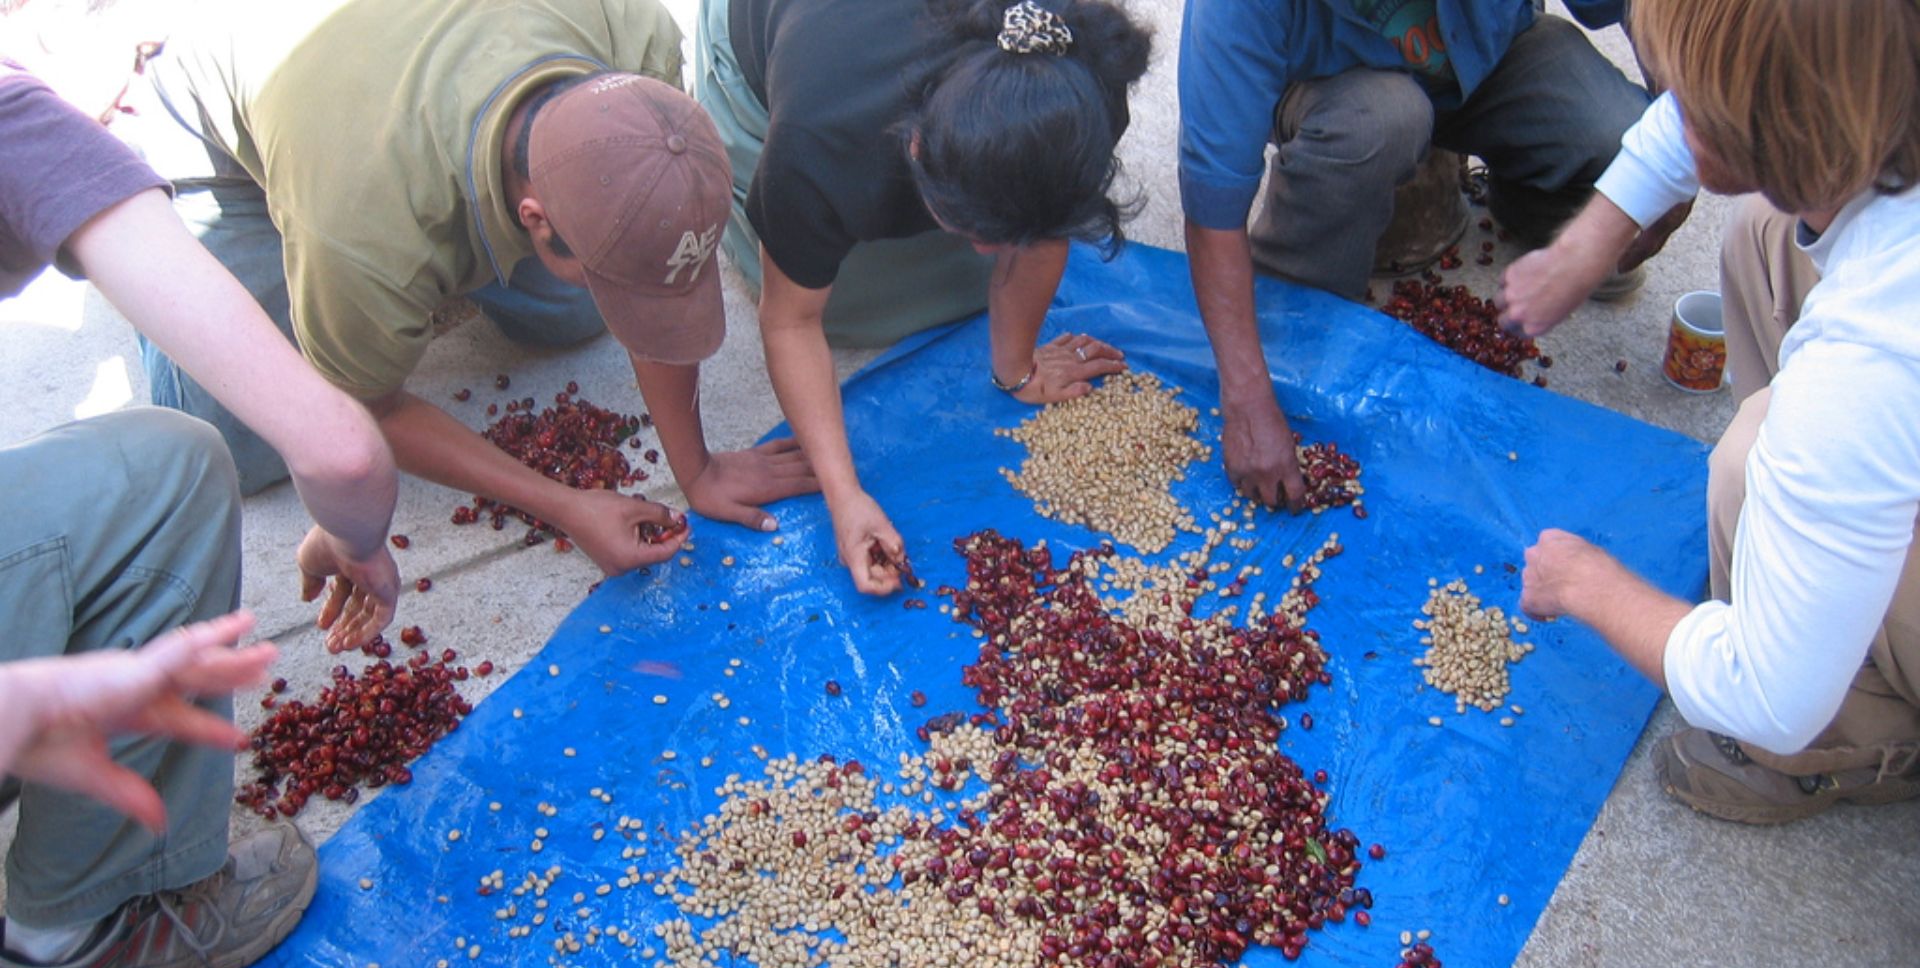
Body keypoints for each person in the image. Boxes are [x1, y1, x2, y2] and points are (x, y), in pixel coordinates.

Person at [0, 61, 403, 968]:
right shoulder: (16, 122)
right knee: (167, 471)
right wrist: (358, 540)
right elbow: (342, 449)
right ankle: (67, 943)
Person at [129, 0, 820, 577]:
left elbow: (650, 247)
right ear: (536, 221)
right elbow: (365, 408)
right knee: (235, 439)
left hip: (408, 89)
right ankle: (136, 218)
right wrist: (564, 503)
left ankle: (436, 281)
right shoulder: (364, 232)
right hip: (227, 127)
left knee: (576, 311)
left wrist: (695, 470)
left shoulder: (635, 42)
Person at [1505, 0, 1920, 824]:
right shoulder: (1873, 77)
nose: (1671, 106)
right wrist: (1593, 238)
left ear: (1761, 127)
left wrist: (1591, 584)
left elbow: (1766, 694)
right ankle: (1826, 572)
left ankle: (1856, 728)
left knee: (1745, 459)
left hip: (1866, 404)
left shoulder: (1874, 347)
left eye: (1683, 91)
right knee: (1765, 232)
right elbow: (1717, 111)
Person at [695, 0, 1149, 594]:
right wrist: (845, 496)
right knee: (856, 309)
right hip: (771, 41)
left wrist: (1018, 369)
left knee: (982, 269)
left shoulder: (1075, 75)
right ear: (913, 148)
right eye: (975, 233)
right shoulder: (821, 137)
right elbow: (791, 322)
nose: (989, 251)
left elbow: (1042, 234)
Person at [1176, 0, 1651, 510]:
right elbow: (1213, 207)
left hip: (1487, 56)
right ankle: (1300, 294)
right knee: (1380, 124)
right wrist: (1248, 396)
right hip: (1339, 90)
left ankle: (1528, 198)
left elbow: (1650, 11)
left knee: (1624, 134)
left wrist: (1679, 151)